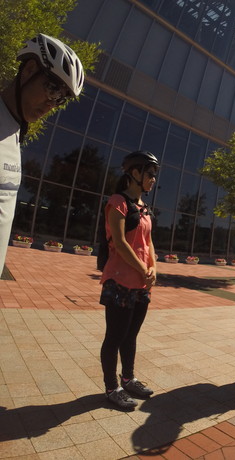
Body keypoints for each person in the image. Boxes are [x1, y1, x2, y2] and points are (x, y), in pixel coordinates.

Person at [0, 34, 84, 270]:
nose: (52, 103)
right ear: (29, 69)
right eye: (53, 89)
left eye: (61, 100)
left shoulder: (14, 132)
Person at [99, 151, 159, 410]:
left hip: (141, 284)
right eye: (149, 173)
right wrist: (143, 268)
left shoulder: (144, 208)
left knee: (131, 335)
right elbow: (120, 243)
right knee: (115, 336)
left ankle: (129, 378)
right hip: (120, 281)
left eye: (154, 175)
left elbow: (149, 242)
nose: (153, 179)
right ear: (134, 173)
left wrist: (154, 267)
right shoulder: (117, 202)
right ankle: (112, 388)